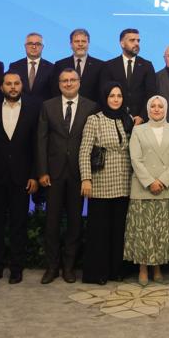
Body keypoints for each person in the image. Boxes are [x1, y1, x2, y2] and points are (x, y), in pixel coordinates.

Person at [37, 68, 97, 283]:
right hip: (52, 174)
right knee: (51, 223)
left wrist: (89, 174)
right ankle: (52, 267)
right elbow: (41, 140)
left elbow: (94, 141)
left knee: (75, 223)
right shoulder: (48, 106)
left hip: (78, 174)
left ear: (79, 82)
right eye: (64, 80)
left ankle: (69, 268)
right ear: (59, 84)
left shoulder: (91, 107)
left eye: (72, 80)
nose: (69, 83)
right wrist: (42, 171)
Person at [0, 71, 41, 284]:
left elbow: (37, 145)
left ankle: (16, 268)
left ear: (22, 86)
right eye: (9, 84)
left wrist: (34, 175)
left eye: (17, 83)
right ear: (2, 87)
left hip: (22, 178)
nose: (13, 87)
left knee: (19, 225)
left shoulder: (33, 110)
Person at [79, 84, 134, 284]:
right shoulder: (95, 119)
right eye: (112, 96)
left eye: (119, 95)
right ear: (105, 98)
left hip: (124, 183)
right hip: (101, 183)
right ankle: (98, 273)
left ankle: (116, 270)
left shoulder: (127, 119)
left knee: (119, 230)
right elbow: (84, 151)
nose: (116, 99)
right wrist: (86, 178)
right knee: (100, 231)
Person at [125, 95, 169, 285]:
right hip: (143, 188)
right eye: (153, 106)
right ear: (148, 109)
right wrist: (150, 182)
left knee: (160, 230)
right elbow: (135, 159)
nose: (157, 109)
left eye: (160, 106)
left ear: (166, 109)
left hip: (165, 187)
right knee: (143, 231)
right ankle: (142, 268)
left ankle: (157, 267)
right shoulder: (138, 130)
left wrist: (163, 181)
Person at [99, 27, 157, 124]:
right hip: (114, 120)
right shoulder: (109, 66)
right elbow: (104, 94)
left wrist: (142, 117)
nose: (136, 43)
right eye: (132, 40)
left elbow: (151, 94)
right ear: (122, 44)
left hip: (141, 122)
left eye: (138, 40)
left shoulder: (147, 65)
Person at [52, 27, 103, 100]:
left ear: (88, 43)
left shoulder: (100, 66)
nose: (80, 44)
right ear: (71, 44)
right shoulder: (60, 65)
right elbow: (55, 91)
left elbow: (101, 92)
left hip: (92, 106)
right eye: (76, 41)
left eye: (83, 41)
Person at [9, 32, 55, 101]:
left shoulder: (52, 68)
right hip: (20, 106)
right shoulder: (14, 66)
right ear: (25, 46)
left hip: (44, 107)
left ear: (42, 47)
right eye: (30, 43)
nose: (34, 47)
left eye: (38, 44)